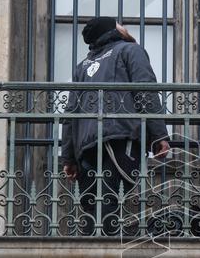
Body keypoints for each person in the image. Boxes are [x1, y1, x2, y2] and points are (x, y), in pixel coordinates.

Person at [60, 16, 170, 236]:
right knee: (109, 196)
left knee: (93, 202)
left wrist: (69, 158)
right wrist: (158, 135)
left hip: (87, 147)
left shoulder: (83, 66)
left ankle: (94, 253)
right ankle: (104, 253)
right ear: (112, 30)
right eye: (121, 24)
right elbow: (145, 90)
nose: (125, 28)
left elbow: (70, 113)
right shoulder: (130, 51)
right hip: (121, 137)